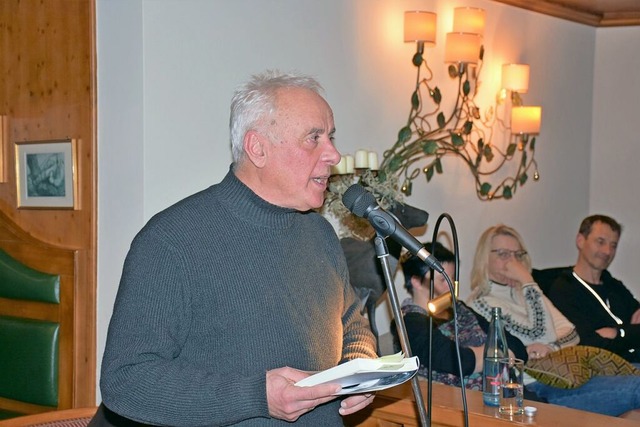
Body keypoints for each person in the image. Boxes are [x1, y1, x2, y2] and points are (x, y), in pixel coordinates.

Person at [92, 70, 378, 426]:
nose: (334, 155)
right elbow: (127, 381)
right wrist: (256, 397)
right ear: (258, 148)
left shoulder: (319, 233)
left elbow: (352, 321)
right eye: (313, 139)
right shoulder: (172, 241)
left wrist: (358, 369)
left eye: (330, 137)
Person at [467, 224, 640, 416]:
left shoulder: (526, 293)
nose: (513, 262)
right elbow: (542, 332)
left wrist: (552, 348)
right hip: (536, 386)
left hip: (570, 374)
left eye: (518, 255)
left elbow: (572, 334)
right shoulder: (483, 303)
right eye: (503, 254)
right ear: (485, 258)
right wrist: (527, 279)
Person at [391, 242, 528, 390]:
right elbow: (457, 362)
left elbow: (516, 346)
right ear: (416, 282)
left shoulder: (459, 308)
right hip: (457, 405)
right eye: (443, 280)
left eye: (451, 278)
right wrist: (500, 353)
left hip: (507, 391)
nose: (450, 285)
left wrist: (482, 356)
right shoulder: (408, 323)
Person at [547, 215, 640, 363]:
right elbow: (590, 345)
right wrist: (631, 334)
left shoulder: (614, 286)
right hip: (608, 372)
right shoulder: (565, 289)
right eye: (600, 242)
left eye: (613, 245)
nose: (607, 251)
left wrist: (616, 333)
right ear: (580, 241)